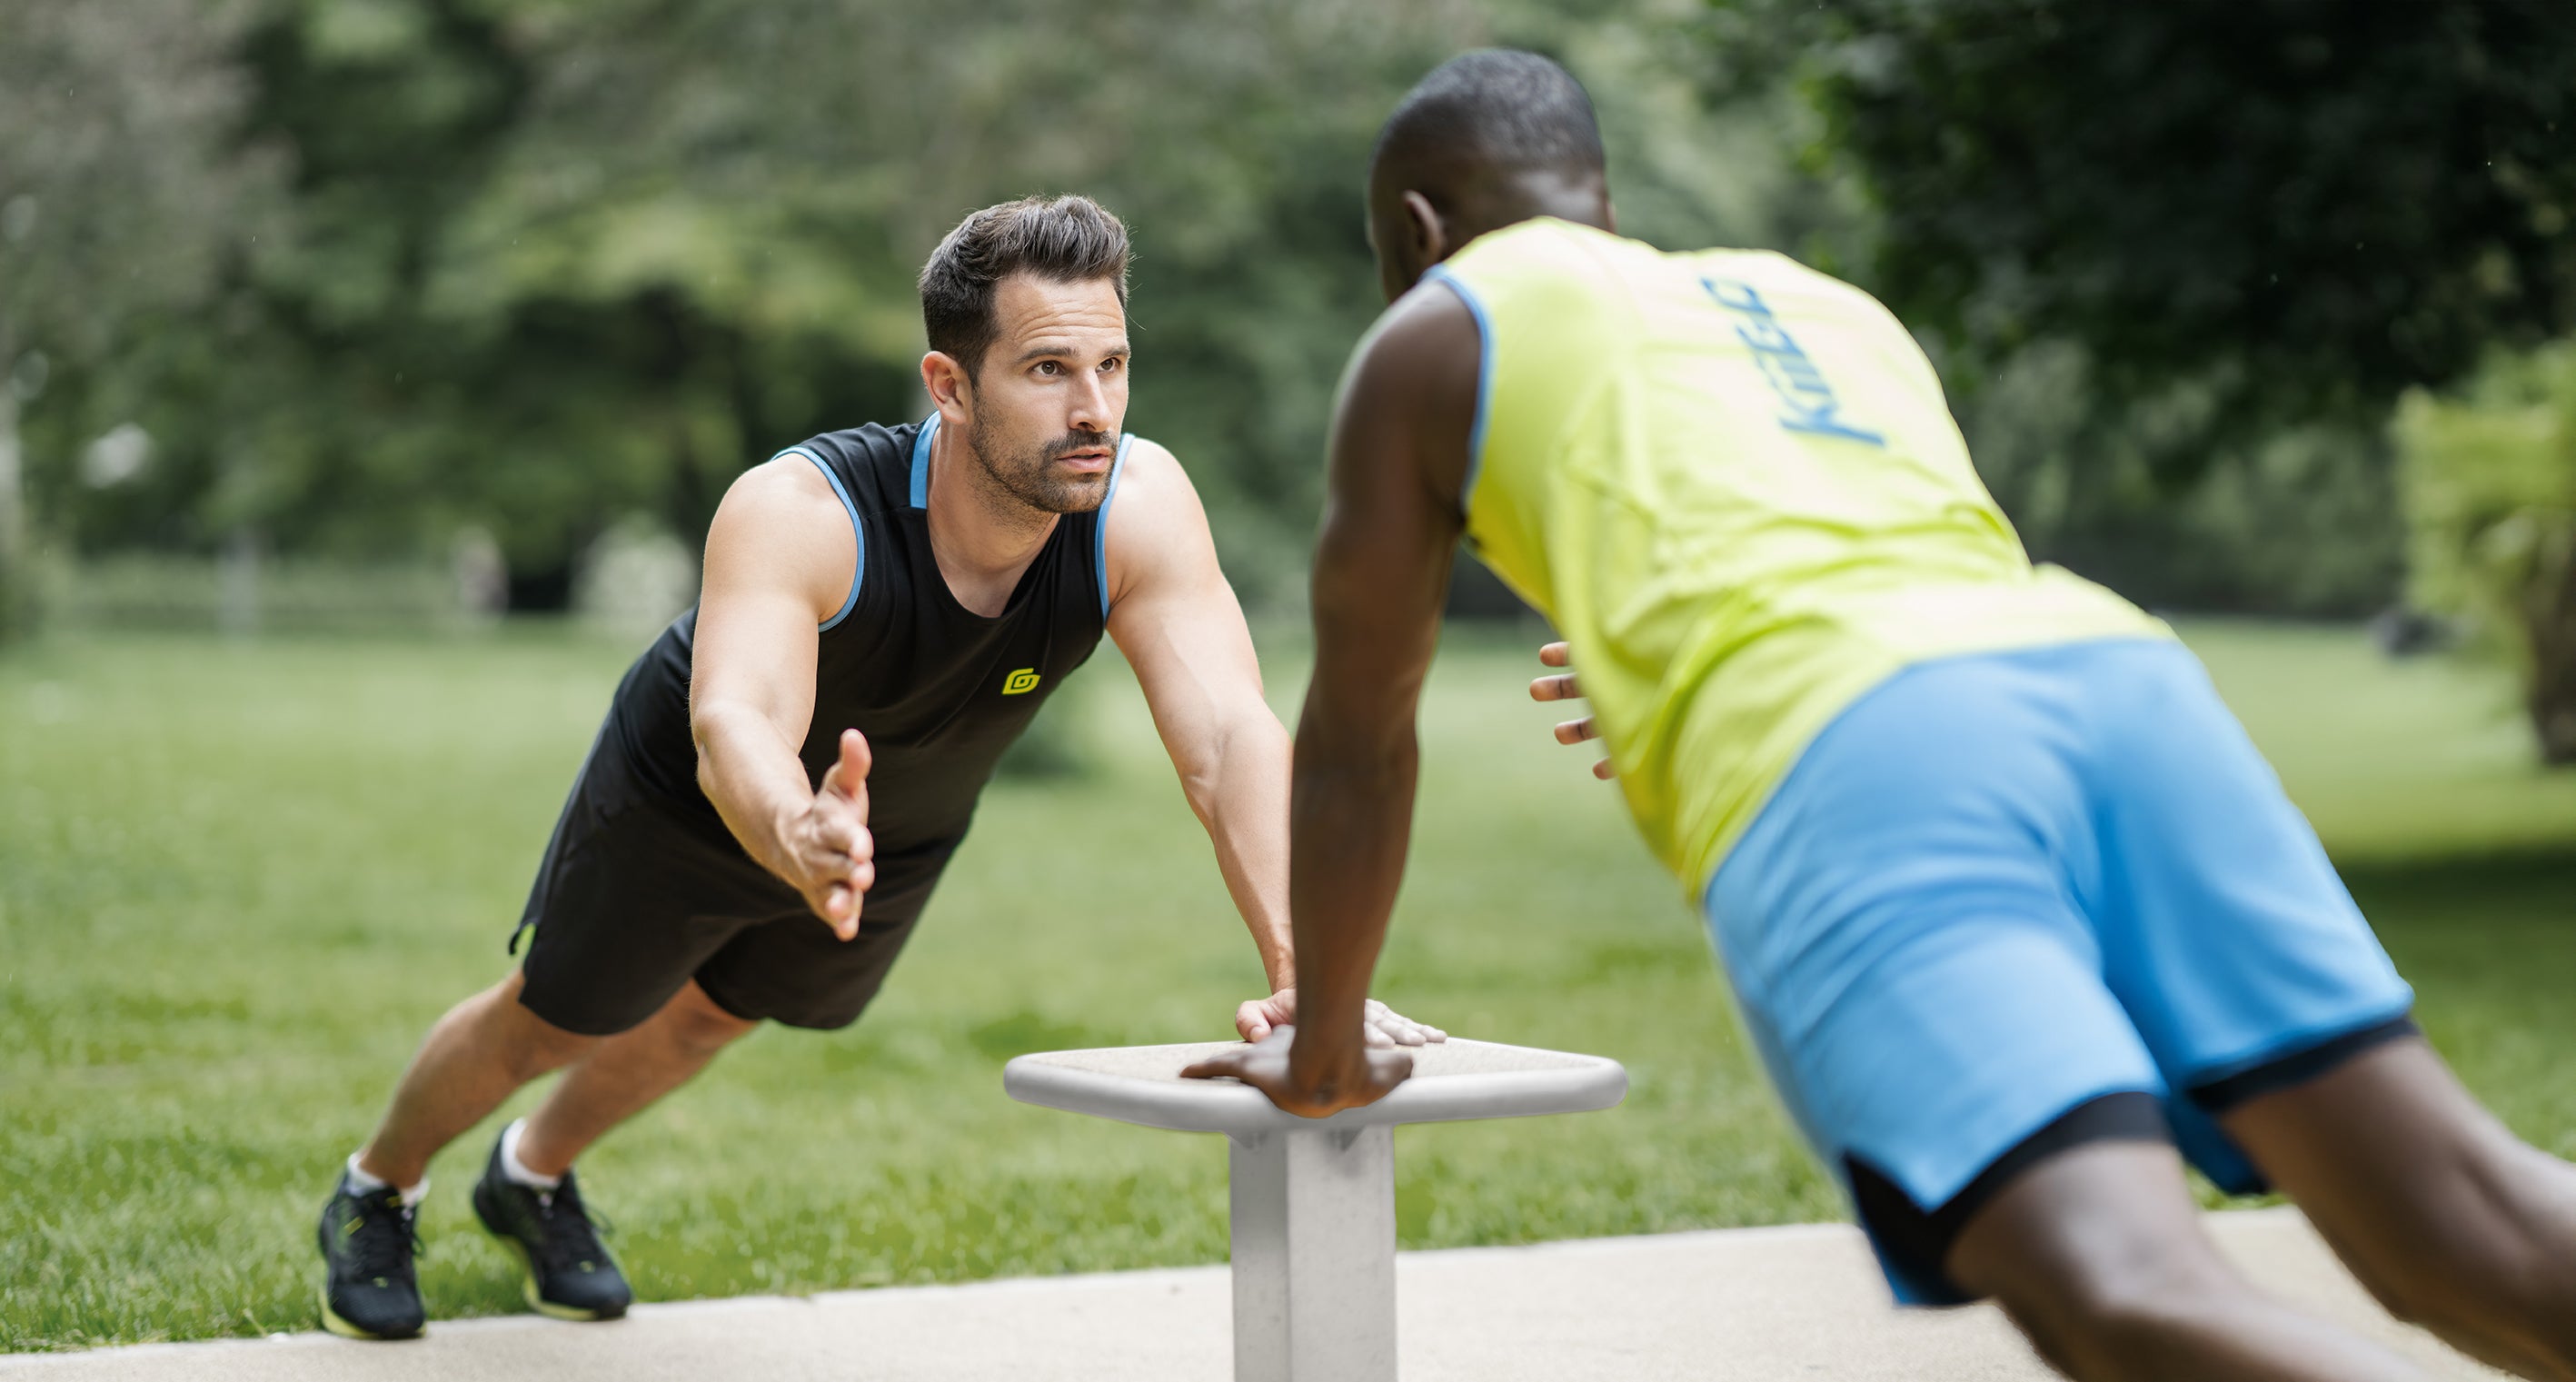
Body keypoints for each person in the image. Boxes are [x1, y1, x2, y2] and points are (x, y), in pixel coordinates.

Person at [1185, 51, 2576, 1382]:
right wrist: (1659, 672)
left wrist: (1324, 1052)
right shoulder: (1810, 303)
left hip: (1851, 759)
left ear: (1417, 229)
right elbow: (1865, 557)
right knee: (2465, 1223)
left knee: (2120, 1286)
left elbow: (1360, 738)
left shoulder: (1436, 324)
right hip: (2110, 678)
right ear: (1600, 202)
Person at [316, 194, 1441, 1341]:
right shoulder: (802, 512)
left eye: (1113, 363)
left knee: (718, 1016)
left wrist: (1310, 964)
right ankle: (378, 1185)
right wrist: (792, 823)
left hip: (892, 822)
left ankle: (532, 1178)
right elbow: (738, 723)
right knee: (556, 1021)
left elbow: (1230, 740)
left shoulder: (1138, 507)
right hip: (699, 801)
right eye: (1048, 368)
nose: (1094, 407)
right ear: (949, 386)